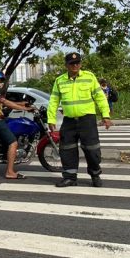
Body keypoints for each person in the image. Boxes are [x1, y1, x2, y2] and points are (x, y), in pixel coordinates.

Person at [48, 53, 112, 187]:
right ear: (66, 65)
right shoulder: (60, 80)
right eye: (72, 63)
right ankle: (70, 177)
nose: (75, 65)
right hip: (69, 121)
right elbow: (53, 101)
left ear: (80, 64)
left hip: (87, 120)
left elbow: (100, 97)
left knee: (92, 150)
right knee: (67, 150)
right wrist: (51, 119)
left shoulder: (89, 77)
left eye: (77, 63)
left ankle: (95, 175)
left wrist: (105, 116)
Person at [0, 70, 34, 180]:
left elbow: (3, 102)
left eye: (1, 80)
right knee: (13, 143)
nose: (0, 82)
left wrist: (22, 103)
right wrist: (24, 108)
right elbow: (5, 102)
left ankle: (7, 154)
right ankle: (10, 172)